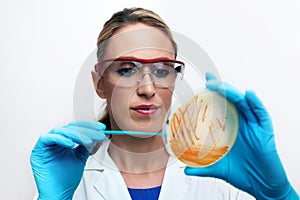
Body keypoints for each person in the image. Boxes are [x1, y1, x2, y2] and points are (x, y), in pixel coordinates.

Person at [30, 7, 299, 200]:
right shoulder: (68, 184)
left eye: (161, 71)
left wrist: (279, 195)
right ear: (99, 83)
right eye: (126, 69)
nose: (147, 89)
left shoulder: (223, 183)